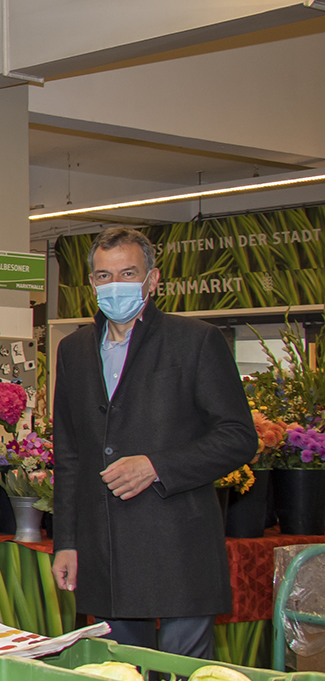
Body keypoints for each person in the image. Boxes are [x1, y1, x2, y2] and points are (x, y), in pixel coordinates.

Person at [52, 227, 256, 658]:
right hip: (105, 550)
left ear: (153, 279)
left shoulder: (195, 341)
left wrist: (157, 465)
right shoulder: (74, 350)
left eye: (128, 273)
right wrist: (67, 542)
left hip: (177, 545)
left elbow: (238, 437)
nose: (115, 285)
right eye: (104, 276)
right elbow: (69, 455)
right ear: (91, 283)